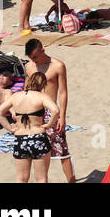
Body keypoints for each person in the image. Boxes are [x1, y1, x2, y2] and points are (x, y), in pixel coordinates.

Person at [24, 37, 74, 182]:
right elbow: (26, 90)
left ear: (42, 50)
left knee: (62, 151)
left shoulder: (58, 66)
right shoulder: (29, 67)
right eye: (31, 58)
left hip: (51, 112)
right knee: (39, 152)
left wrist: (63, 117)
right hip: (32, 113)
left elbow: (63, 92)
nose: (34, 60)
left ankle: (71, 181)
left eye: (35, 57)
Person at [0, 72, 59, 183]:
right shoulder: (42, 96)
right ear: (43, 84)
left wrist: (9, 128)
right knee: (41, 179)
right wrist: (49, 124)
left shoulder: (16, 96)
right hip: (37, 137)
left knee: (21, 178)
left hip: (20, 139)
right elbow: (56, 110)